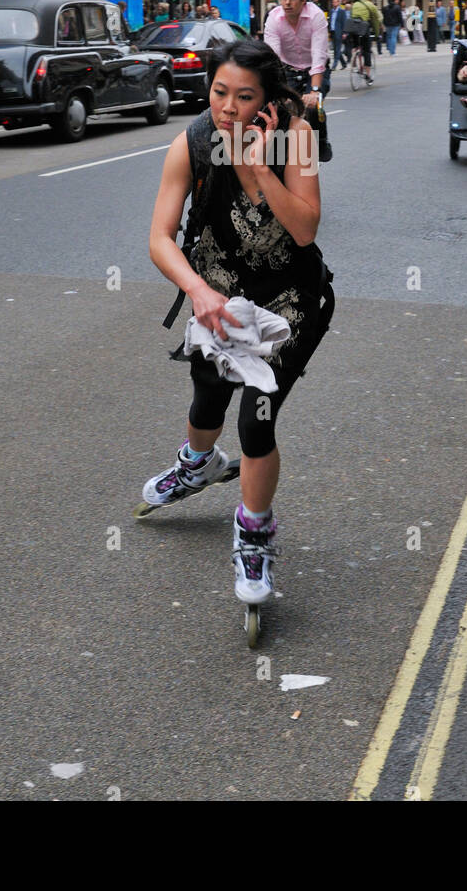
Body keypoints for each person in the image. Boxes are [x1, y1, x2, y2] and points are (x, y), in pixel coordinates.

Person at [144, 39, 330, 606]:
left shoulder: (295, 136)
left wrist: (253, 164)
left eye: (243, 96)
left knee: (255, 418)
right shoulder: (192, 143)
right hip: (219, 292)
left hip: (291, 299)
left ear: (267, 100)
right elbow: (159, 238)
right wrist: (197, 289)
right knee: (206, 397)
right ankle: (197, 464)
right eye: (219, 91)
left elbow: (304, 231)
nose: (227, 107)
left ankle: (254, 536)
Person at [263, 0, 333, 161]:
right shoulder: (274, 18)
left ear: (303, 1)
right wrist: (277, 89)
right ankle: (277, 153)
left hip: (315, 69)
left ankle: (321, 141)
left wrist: (315, 91)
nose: (287, 2)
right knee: (280, 109)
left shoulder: (316, 16)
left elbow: (319, 55)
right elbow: (273, 57)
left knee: (311, 106)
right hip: (288, 69)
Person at [348, 0, 382, 84]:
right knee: (367, 51)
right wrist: (377, 34)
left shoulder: (354, 5)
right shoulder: (370, 5)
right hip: (364, 28)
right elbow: (376, 21)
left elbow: (351, 16)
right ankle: (367, 75)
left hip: (353, 28)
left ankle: (354, 61)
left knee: (355, 45)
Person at [330, 0, 348, 68]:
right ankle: (344, 63)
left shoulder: (341, 11)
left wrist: (344, 33)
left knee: (337, 49)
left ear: (338, 3)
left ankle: (334, 65)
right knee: (335, 48)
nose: (334, 3)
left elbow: (344, 22)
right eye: (333, 2)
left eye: (335, 2)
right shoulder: (331, 11)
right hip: (332, 32)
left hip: (339, 32)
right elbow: (330, 21)